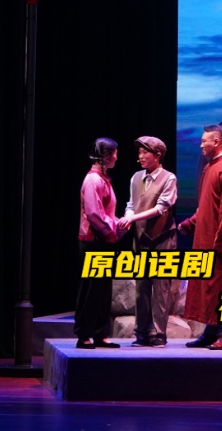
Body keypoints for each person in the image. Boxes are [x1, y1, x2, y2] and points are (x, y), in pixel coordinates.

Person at [178, 125, 222, 350]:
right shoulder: (211, 167)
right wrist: (190, 223)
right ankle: (211, 331)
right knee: (210, 287)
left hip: (221, 242)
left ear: (216, 142)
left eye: (204, 141)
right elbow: (207, 205)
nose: (200, 145)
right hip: (206, 237)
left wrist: (221, 242)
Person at [118, 137, 177, 347]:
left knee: (161, 287)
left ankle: (159, 333)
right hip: (141, 238)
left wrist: (133, 218)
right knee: (141, 287)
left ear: (157, 155)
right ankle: (141, 332)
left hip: (162, 239)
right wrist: (127, 217)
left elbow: (161, 208)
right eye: (140, 153)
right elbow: (131, 204)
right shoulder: (136, 177)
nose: (141, 156)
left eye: (145, 152)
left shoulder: (169, 178)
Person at [75, 138, 124, 349]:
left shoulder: (104, 179)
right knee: (91, 291)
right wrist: (114, 229)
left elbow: (106, 213)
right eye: (114, 154)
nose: (116, 157)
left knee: (103, 291)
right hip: (94, 241)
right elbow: (94, 214)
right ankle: (84, 334)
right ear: (105, 156)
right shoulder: (93, 180)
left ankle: (99, 333)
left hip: (104, 240)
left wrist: (118, 224)